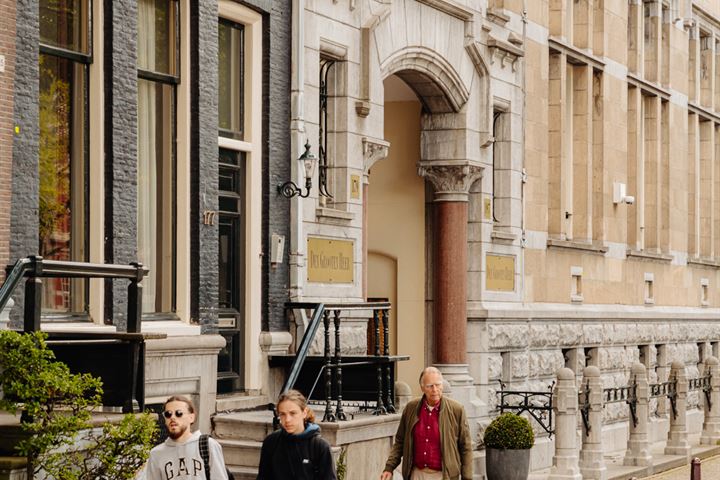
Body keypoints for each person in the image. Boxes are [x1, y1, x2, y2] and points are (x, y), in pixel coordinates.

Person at [380, 367, 473, 480]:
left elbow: (466, 447)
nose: (434, 390)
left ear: (442, 385)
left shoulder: (457, 410)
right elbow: (400, 441)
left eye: (438, 385)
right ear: (422, 388)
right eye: (430, 386)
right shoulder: (411, 408)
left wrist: (467, 477)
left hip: (444, 475)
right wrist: (389, 467)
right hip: (416, 474)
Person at [257, 389, 337, 479]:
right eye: (282, 414)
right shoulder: (271, 442)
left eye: (293, 413)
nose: (287, 420)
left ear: (304, 412)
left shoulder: (320, 446)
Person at [144, 395, 229, 480]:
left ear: (191, 417)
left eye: (179, 413)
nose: (172, 417)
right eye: (168, 414)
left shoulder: (209, 445)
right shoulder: (156, 453)